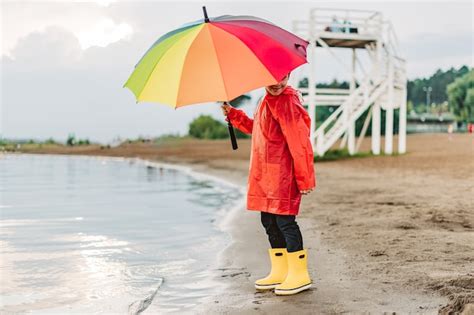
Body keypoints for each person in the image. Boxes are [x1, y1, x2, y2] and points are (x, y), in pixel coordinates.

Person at [221, 73, 316, 295]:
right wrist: (234, 115)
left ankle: (299, 274)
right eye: (272, 77)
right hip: (264, 174)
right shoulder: (265, 100)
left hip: (282, 173)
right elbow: (260, 130)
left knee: (285, 221)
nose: (277, 83)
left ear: (290, 75)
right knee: (268, 221)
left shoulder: (288, 101)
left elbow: (299, 141)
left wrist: (305, 177)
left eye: (283, 77)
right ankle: (281, 270)